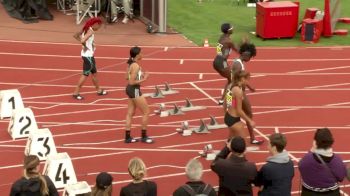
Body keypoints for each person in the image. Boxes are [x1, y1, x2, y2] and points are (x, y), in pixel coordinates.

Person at [231, 42, 263, 145]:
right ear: (246, 54)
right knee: (247, 113)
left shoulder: (240, 62)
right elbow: (234, 80)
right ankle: (251, 138)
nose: (250, 59)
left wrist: (249, 87)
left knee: (237, 115)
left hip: (239, 91)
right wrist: (238, 93)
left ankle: (236, 138)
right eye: (251, 56)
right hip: (238, 92)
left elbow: (241, 79)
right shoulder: (237, 64)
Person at [299, 128, 347, 196]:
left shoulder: (307, 159)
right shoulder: (337, 160)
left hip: (309, 193)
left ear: (315, 142)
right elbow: (341, 177)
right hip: (331, 193)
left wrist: (311, 151)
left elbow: (301, 168)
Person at [73, 17, 108, 100]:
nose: (99, 28)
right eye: (99, 26)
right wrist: (85, 46)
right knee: (85, 75)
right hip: (87, 56)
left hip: (89, 56)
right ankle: (76, 92)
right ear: (95, 24)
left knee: (94, 74)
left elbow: (75, 35)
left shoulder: (85, 29)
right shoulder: (90, 31)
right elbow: (83, 40)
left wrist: (85, 45)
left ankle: (99, 90)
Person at [124, 46, 153, 143]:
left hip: (130, 89)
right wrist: (145, 78)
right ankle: (144, 136)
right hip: (134, 89)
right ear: (137, 55)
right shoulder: (136, 66)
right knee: (146, 112)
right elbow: (132, 82)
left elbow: (126, 77)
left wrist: (140, 75)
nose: (142, 54)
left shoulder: (130, 64)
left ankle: (127, 137)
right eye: (141, 53)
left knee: (130, 113)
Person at [224, 70, 255, 140]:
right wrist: (250, 121)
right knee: (243, 143)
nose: (248, 82)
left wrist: (226, 114)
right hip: (234, 120)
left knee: (231, 142)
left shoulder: (230, 86)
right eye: (248, 79)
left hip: (228, 116)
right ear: (242, 79)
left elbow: (227, 103)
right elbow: (239, 110)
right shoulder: (238, 91)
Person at [213, 23, 238, 105]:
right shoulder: (229, 41)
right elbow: (237, 50)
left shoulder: (222, 37)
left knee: (230, 79)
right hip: (222, 63)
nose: (233, 28)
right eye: (231, 27)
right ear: (229, 30)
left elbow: (220, 50)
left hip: (216, 61)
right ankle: (227, 101)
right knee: (232, 80)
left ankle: (223, 100)